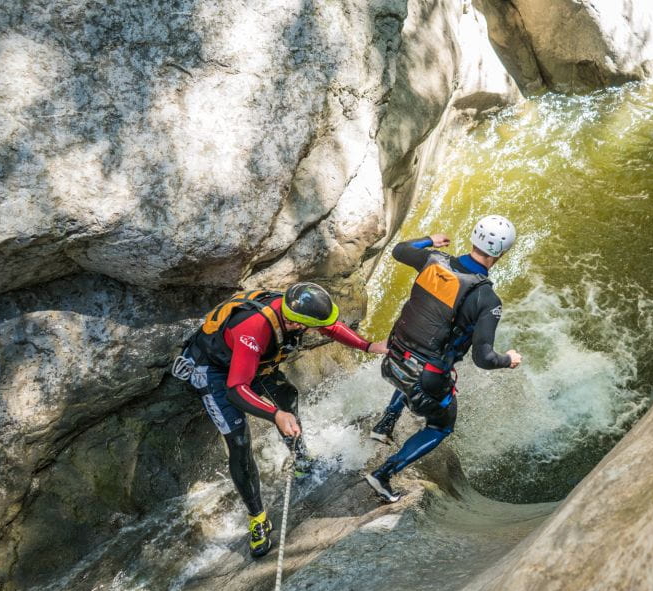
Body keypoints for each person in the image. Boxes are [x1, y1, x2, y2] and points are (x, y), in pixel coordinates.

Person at [177, 283, 386, 557]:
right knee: (239, 440)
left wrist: (368, 346)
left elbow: (330, 326)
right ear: (294, 322)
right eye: (309, 328)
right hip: (214, 370)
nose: (314, 331)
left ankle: (301, 460)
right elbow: (237, 389)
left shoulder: (294, 307)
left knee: (287, 396)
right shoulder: (254, 329)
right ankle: (258, 518)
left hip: (252, 360)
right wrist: (274, 415)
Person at [364, 215, 522, 502]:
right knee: (441, 425)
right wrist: (507, 359)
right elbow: (484, 358)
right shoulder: (487, 299)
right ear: (501, 253)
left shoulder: (433, 260)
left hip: (391, 360)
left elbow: (399, 249)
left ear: (474, 238)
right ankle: (383, 474)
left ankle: (386, 423)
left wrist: (430, 240)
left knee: (419, 350)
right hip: (423, 381)